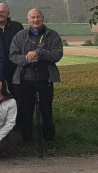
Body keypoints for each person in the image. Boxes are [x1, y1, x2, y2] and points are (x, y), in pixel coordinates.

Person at [9, 8, 63, 153]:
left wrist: (40, 53)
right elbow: (13, 55)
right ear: (28, 19)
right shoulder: (20, 36)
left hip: (45, 79)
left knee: (46, 111)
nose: (35, 20)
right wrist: (26, 59)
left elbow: (57, 54)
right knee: (26, 111)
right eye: (32, 17)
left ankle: (49, 141)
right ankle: (27, 141)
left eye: (38, 17)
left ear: (43, 18)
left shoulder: (52, 35)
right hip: (24, 80)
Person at [0, 3, 24, 93]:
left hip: (14, 66)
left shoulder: (17, 27)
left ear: (8, 13)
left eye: (2, 12)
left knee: (17, 92)